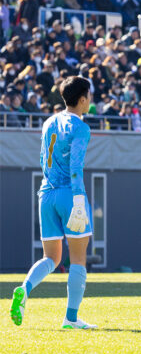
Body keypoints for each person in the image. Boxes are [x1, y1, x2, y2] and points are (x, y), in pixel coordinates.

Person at [9, 76, 96, 329]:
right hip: (70, 194)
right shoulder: (81, 127)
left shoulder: (49, 121)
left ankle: (24, 289)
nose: (90, 99)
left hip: (46, 194)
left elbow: (41, 158)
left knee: (51, 257)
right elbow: (76, 165)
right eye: (88, 95)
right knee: (78, 259)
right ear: (82, 99)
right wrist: (79, 199)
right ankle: (70, 318)